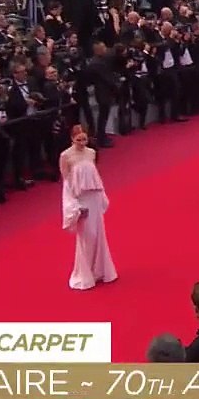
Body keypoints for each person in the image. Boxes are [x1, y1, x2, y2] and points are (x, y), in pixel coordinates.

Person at [59, 125, 117, 291]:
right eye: (78, 140)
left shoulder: (91, 153)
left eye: (84, 139)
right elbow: (67, 183)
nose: (82, 143)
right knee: (87, 237)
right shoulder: (65, 156)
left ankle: (100, 271)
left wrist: (102, 196)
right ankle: (85, 273)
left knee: (99, 235)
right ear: (72, 139)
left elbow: (96, 176)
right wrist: (74, 206)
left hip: (94, 199)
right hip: (81, 201)